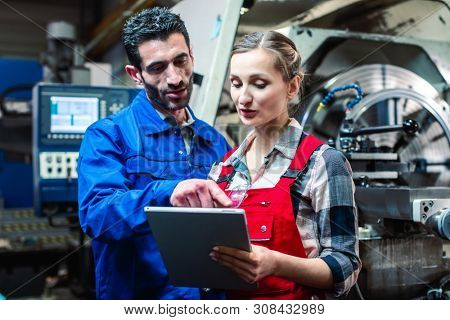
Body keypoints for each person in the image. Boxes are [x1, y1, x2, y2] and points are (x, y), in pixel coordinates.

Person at [172, 31, 361, 299]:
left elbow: (346, 266)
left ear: (292, 87)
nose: (243, 98)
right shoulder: (223, 171)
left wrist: (276, 263)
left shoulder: (323, 163)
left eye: (259, 84)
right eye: (236, 83)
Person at [77, 7, 231, 299]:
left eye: (180, 61)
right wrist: (167, 194)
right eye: (158, 68)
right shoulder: (108, 136)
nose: (175, 78)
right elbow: (98, 216)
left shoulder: (214, 141)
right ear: (135, 75)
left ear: (192, 56)